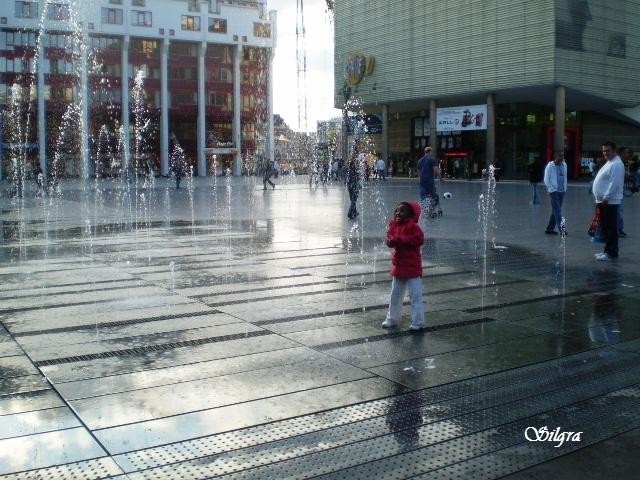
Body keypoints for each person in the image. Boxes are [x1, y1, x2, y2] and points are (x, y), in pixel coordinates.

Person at [382, 201, 425, 331]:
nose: (398, 213)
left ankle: (418, 322)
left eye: (402, 211)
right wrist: (390, 241)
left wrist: (401, 240)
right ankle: (392, 319)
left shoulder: (414, 227)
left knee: (415, 296)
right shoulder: (393, 225)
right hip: (399, 266)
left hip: (412, 267)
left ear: (411, 215)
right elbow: (389, 238)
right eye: (397, 210)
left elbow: (419, 240)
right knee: (395, 294)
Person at [593, 141, 625, 261]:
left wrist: (606, 197)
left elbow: (615, 183)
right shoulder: (610, 162)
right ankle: (607, 251)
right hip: (604, 201)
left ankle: (611, 253)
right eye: (604, 151)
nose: (605, 153)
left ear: (614, 150)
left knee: (611, 227)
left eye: (608, 150)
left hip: (609, 202)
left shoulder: (616, 164)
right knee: (606, 227)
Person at [543, 152, 567, 235]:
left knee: (555, 211)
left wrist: (565, 188)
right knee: (558, 211)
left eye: (563, 156)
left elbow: (564, 177)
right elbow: (546, 179)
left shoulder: (564, 165)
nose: (562, 157)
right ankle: (562, 230)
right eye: (560, 156)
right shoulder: (550, 166)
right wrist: (551, 189)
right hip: (554, 191)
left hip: (562, 191)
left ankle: (549, 228)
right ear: (555, 156)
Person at [617, 147, 631, 237]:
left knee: (619, 211)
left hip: (619, 192)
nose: (628, 155)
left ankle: (619, 229)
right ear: (621, 153)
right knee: (618, 212)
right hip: (615, 193)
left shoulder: (621, 163)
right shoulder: (618, 163)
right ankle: (618, 230)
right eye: (626, 153)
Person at [346, 150, 361, 219]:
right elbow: (358, 178)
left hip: (349, 186)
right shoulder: (355, 169)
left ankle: (354, 212)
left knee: (352, 199)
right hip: (355, 186)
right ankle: (349, 213)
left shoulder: (348, 169)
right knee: (353, 200)